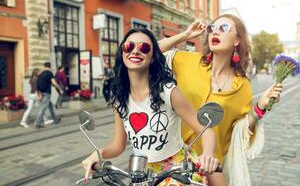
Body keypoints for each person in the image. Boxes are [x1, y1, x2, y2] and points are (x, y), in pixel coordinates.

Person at [82, 28, 221, 185]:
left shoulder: (167, 91)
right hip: (143, 174)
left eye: (144, 48)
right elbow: (118, 146)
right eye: (129, 46)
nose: (135, 51)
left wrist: (208, 155)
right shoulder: (119, 99)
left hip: (177, 172)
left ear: (153, 58)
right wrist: (98, 154)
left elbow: (206, 130)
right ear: (122, 53)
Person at [158, 14, 283, 186]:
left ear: (237, 40)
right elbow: (149, 52)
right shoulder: (188, 61)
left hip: (208, 167)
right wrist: (185, 35)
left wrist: (261, 106)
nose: (215, 32)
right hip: (170, 159)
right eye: (212, 28)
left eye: (223, 28)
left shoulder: (242, 86)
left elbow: (240, 130)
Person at [35, 62, 63, 128]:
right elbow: (54, 83)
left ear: (44, 66)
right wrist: (60, 89)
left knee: (50, 106)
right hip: (47, 93)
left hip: (41, 92)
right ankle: (37, 122)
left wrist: (38, 93)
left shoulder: (41, 74)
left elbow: (37, 84)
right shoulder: (49, 73)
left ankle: (55, 119)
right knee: (43, 108)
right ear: (50, 66)